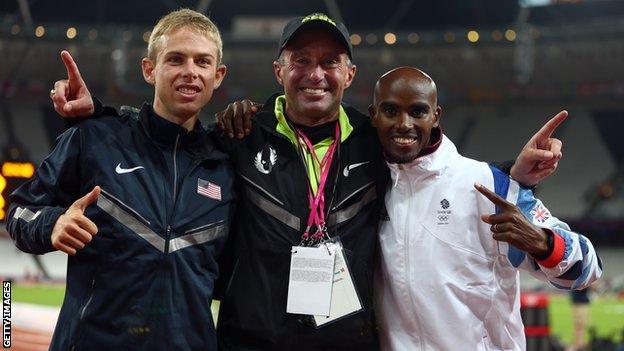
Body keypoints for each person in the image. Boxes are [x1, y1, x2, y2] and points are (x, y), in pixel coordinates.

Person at [50, 13, 565, 350]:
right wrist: (101, 115)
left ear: (349, 74)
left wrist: (514, 178)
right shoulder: (240, 133)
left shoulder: (375, 141)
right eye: (301, 61)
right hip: (250, 342)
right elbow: (169, 136)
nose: (314, 73)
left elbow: (434, 163)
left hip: (344, 340)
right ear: (279, 71)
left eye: (329, 62)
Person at [8, 9, 234, 350]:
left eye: (202, 62)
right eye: (175, 59)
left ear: (217, 76)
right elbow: (19, 212)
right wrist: (51, 223)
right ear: (149, 69)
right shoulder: (95, 140)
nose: (190, 72)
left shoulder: (227, 167)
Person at [370, 66, 602, 350]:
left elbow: (588, 268)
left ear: (435, 116)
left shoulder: (488, 186)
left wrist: (543, 243)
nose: (404, 124)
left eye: (418, 111)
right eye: (391, 111)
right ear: (374, 115)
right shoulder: (368, 187)